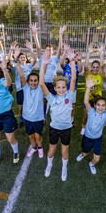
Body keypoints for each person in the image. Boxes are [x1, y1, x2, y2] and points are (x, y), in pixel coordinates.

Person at [39, 48, 76, 182]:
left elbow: (73, 80)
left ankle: (64, 168)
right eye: (58, 87)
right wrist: (43, 64)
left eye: (63, 87)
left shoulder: (70, 95)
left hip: (66, 129)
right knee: (52, 150)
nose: (61, 89)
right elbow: (42, 83)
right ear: (54, 88)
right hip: (54, 129)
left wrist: (72, 61)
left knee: (65, 152)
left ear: (66, 88)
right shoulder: (52, 98)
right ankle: (49, 165)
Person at [76, 76, 106, 174]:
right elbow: (86, 102)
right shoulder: (91, 112)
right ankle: (83, 155)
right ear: (95, 105)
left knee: (97, 159)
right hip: (87, 137)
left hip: (97, 139)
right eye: (98, 105)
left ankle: (91, 164)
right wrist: (88, 88)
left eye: (103, 105)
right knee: (85, 153)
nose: (100, 107)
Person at [30, 23, 66, 118]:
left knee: (55, 99)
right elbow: (37, 47)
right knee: (44, 100)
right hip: (44, 82)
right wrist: (35, 34)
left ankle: (53, 113)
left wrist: (60, 35)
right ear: (44, 51)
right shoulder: (41, 58)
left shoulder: (54, 59)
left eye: (50, 50)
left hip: (53, 83)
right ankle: (43, 116)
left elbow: (60, 48)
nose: (48, 52)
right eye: (47, 50)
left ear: (52, 52)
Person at [15, 60, 44, 158]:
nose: (33, 82)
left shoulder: (40, 88)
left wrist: (44, 64)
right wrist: (17, 63)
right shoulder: (26, 88)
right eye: (31, 80)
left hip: (38, 118)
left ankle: (40, 148)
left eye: (35, 80)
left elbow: (42, 73)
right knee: (31, 136)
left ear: (38, 81)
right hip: (27, 117)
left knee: (38, 136)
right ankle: (34, 147)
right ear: (28, 82)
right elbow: (22, 75)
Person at [9, 40, 37, 128]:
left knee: (30, 106)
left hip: (29, 89)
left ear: (26, 58)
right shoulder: (17, 66)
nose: (22, 58)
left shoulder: (29, 65)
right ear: (18, 59)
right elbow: (10, 61)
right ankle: (21, 120)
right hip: (20, 90)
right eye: (20, 57)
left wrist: (30, 49)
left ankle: (30, 119)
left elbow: (35, 59)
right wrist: (11, 50)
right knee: (20, 107)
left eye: (23, 57)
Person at [80, 42, 105, 135]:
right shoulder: (88, 74)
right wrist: (89, 53)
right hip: (88, 99)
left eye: (97, 67)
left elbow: (102, 66)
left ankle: (94, 129)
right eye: (93, 67)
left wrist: (100, 53)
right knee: (85, 116)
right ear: (92, 67)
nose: (95, 69)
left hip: (97, 101)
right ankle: (83, 127)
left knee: (96, 117)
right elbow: (85, 67)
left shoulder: (101, 75)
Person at [60, 42, 83, 127]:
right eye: (72, 56)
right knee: (63, 104)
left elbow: (80, 70)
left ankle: (71, 120)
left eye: (75, 56)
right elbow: (61, 63)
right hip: (64, 89)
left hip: (73, 90)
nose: (73, 57)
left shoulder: (76, 67)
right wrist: (65, 51)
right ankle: (63, 119)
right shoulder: (66, 66)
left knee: (72, 106)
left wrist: (80, 60)